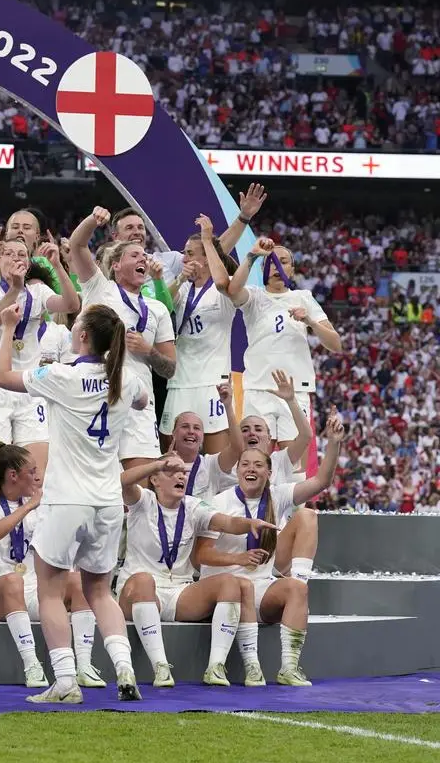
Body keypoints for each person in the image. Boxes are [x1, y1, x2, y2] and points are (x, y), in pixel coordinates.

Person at [0, 302, 148, 704]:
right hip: (108, 502)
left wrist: (9, 328)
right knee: (100, 592)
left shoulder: (61, 376)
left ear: (81, 337)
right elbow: (144, 401)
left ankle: (64, 682)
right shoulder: (126, 379)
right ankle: (125, 670)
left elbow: (0, 376)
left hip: (66, 500)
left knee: (50, 591)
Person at [194, 415, 345, 685]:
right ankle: (248, 665)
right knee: (241, 585)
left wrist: (333, 444)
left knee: (307, 519)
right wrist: (237, 558)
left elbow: (321, 481)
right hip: (225, 588)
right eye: (245, 464)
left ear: (269, 471)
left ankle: (289, 667)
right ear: (237, 470)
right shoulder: (217, 503)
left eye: (258, 465)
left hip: (262, 586)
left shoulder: (278, 495)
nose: (251, 469)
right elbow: (201, 555)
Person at [117, 455, 275, 687]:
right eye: (171, 471)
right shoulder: (143, 501)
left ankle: (215, 668)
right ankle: (160, 667)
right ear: (155, 480)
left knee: (230, 583)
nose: (180, 476)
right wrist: (157, 464)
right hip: (137, 592)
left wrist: (247, 524)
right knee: (143, 580)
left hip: (179, 593)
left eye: (183, 472)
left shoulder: (193, 506)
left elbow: (227, 523)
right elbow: (121, 482)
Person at [0, 442, 106, 688]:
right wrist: (29, 506)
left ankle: (84, 665)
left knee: (77, 580)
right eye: (31, 471)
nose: (38, 476)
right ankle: (32, 665)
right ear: (13, 476)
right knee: (13, 581)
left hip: (33, 589)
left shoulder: (40, 503)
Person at [69, 207, 175, 468]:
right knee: (94, 480)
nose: (143, 258)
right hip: (95, 396)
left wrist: (148, 351)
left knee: (138, 483)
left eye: (144, 254)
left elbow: (170, 368)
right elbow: (76, 244)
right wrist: (93, 220)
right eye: (134, 255)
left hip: (138, 403)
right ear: (116, 265)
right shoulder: (98, 289)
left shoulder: (157, 309)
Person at [0, 235, 78, 479]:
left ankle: (30, 517)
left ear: (28, 263)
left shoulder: (38, 291)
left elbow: (71, 305)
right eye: (9, 253)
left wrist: (59, 266)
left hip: (29, 387)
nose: (16, 258)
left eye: (22, 254)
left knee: (35, 474)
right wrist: (15, 290)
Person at [228, 236, 342, 451]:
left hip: (295, 390)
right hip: (259, 389)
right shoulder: (254, 296)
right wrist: (252, 256)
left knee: (294, 471)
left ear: (292, 269)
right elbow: (232, 291)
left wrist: (309, 321)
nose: (277, 265)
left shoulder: (304, 297)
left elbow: (336, 344)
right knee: (256, 461)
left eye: (283, 261)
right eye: (270, 261)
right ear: (263, 269)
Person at [160, 215, 240, 454]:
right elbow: (161, 304)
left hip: (212, 384)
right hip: (179, 383)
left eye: (190, 253)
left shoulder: (225, 288)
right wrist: (182, 276)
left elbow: (222, 281)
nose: (184, 258)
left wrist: (208, 239)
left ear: (206, 258)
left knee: (216, 460)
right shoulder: (182, 287)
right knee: (171, 457)